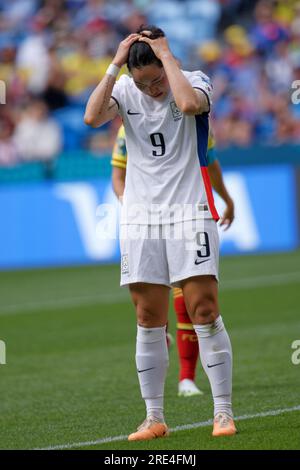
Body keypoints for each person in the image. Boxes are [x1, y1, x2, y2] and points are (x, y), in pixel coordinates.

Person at [84, 25, 236, 440]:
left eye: (156, 80)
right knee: (148, 318)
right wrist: (116, 64)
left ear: (169, 61)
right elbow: (92, 116)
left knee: (203, 309)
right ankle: (154, 418)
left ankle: (222, 412)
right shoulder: (125, 90)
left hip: (190, 211)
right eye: (142, 81)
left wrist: (167, 58)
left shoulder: (193, 82)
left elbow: (188, 105)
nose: (150, 88)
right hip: (140, 217)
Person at [111, 124, 235, 398]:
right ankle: (162, 343)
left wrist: (227, 199)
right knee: (149, 309)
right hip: (147, 223)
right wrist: (129, 203)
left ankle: (186, 378)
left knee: (190, 304)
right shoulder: (128, 127)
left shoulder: (193, 120)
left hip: (185, 215)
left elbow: (210, 162)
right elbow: (118, 176)